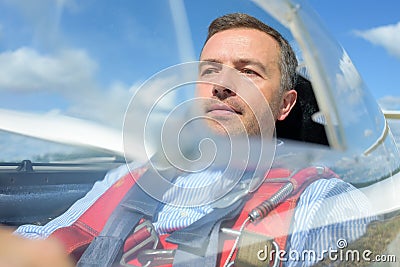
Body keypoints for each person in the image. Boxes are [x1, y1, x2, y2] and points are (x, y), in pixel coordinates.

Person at [4, 13, 375, 267]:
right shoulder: (130, 176)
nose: (222, 85)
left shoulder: (323, 201)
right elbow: (37, 245)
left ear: (284, 105)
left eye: (248, 72)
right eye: (210, 70)